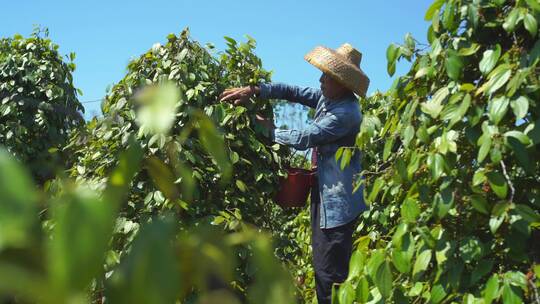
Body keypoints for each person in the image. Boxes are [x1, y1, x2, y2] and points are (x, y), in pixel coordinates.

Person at [219, 43, 369, 304]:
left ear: (344, 84)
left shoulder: (347, 113)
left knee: (329, 273)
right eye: (322, 73)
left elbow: (305, 137)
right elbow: (293, 91)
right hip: (324, 194)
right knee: (322, 265)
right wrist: (255, 90)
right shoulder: (328, 97)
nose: (321, 80)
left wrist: (267, 129)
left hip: (338, 203)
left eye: (328, 76)